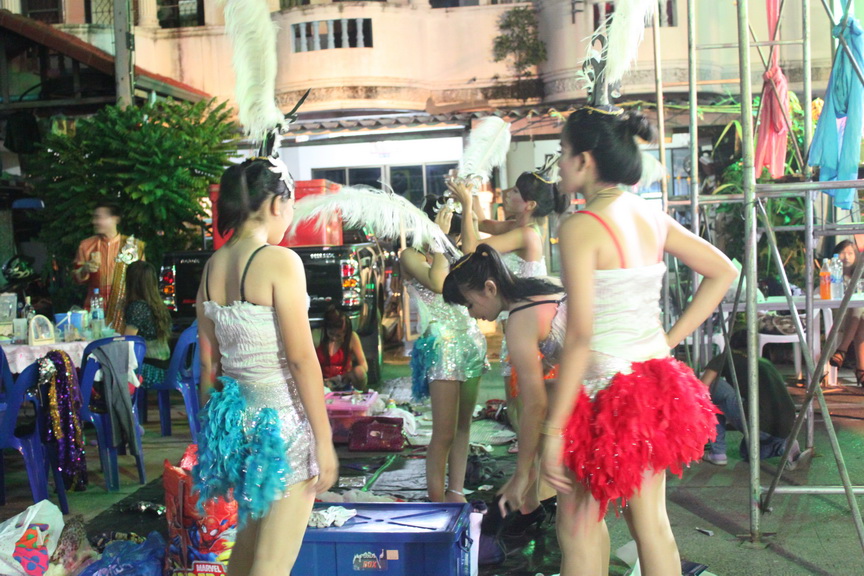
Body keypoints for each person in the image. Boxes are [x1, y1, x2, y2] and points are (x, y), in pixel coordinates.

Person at [541, 106, 737, 576]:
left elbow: (580, 335)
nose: (559, 164)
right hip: (653, 386)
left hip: (601, 395)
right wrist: (667, 341)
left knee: (578, 526)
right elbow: (723, 271)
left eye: (563, 152)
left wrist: (553, 430)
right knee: (652, 526)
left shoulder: (580, 226)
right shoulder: (650, 215)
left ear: (585, 159)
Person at [193, 157, 338, 576]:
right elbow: (301, 359)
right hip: (282, 426)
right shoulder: (280, 261)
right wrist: (323, 439)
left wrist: (215, 439)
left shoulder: (211, 267)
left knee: (247, 551)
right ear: (276, 204)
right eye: (290, 206)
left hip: (237, 425)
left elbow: (209, 365)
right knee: (272, 563)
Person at [443, 243, 562, 534]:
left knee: (575, 527)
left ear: (490, 288)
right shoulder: (541, 288)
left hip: (607, 394)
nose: (472, 315)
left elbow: (535, 404)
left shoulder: (520, 318)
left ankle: (539, 503)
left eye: (469, 305)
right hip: (628, 381)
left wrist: (521, 474)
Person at [449, 171, 555, 445]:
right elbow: (482, 222)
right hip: (518, 324)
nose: (508, 194)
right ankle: (528, 452)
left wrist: (466, 204)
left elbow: (471, 251)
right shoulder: (516, 227)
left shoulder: (525, 235)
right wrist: (472, 191)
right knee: (516, 401)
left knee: (521, 401)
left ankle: (530, 455)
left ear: (530, 204)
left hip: (525, 328)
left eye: (516, 192)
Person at [402, 208, 488, 503]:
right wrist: (438, 239)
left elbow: (475, 259)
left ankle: (456, 491)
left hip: (470, 342)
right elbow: (438, 283)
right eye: (447, 232)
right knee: (444, 433)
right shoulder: (410, 255)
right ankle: (437, 502)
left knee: (464, 427)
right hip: (442, 347)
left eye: (454, 234)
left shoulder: (453, 254)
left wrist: (467, 205)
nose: (454, 239)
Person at [701, 332, 801, 467]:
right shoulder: (764, 363)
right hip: (786, 426)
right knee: (746, 452)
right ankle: (782, 446)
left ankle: (717, 453)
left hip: (760, 424)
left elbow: (701, 387)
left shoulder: (726, 357)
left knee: (713, 388)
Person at [73, 202, 145, 332]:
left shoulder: (133, 246)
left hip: (125, 312)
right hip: (95, 312)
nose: (94, 221)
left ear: (115, 219)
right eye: (94, 217)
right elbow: (76, 278)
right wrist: (85, 270)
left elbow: (142, 280)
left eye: (99, 217)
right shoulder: (86, 245)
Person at [123, 261, 171, 388]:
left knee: (108, 368)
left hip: (149, 369)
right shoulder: (158, 305)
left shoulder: (138, 307)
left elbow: (127, 342)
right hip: (165, 366)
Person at [828, 239, 864, 385]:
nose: (846, 257)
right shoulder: (829, 273)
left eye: (850, 253)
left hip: (855, 318)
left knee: (859, 313)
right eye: (843, 253)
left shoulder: (860, 276)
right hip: (838, 317)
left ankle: (842, 351)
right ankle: (861, 370)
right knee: (859, 313)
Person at [316, 305, 368, 391]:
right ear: (326, 329)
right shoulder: (317, 336)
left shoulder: (351, 338)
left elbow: (364, 365)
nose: (334, 338)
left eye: (338, 335)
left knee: (359, 371)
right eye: (331, 334)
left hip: (344, 380)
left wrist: (347, 376)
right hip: (321, 382)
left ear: (345, 332)